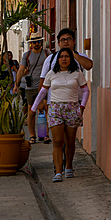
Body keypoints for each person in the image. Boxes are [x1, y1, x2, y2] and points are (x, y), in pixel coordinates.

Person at [31, 48, 89, 182]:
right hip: (55, 109)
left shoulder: (77, 73)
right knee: (57, 141)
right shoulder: (51, 74)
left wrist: (82, 106)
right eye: (61, 56)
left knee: (70, 141)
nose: (64, 59)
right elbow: (43, 92)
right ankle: (58, 172)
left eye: (67, 56)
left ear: (71, 59)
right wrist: (34, 108)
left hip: (72, 108)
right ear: (57, 59)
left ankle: (68, 166)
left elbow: (86, 91)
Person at [14, 37, 50, 144]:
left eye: (38, 41)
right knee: (31, 111)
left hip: (45, 86)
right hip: (31, 87)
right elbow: (21, 70)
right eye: (34, 42)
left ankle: (44, 134)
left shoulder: (48, 54)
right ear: (31, 43)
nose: (37, 44)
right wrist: (16, 84)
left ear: (41, 42)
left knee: (44, 109)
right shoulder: (27, 55)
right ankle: (32, 135)